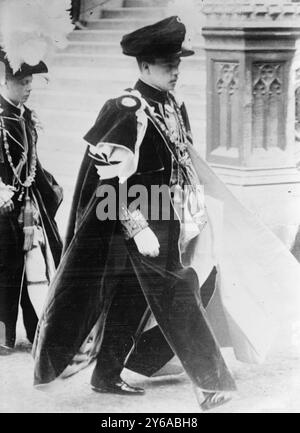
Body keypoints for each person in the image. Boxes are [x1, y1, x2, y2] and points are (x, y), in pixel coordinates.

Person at [33, 16, 300, 411]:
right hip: (135, 212)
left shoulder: (171, 104)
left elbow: (183, 164)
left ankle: (105, 374)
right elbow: (109, 182)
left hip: (169, 213)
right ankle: (213, 383)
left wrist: (192, 215)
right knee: (177, 289)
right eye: (166, 64)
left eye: (177, 63)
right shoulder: (127, 108)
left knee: (133, 296)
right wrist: (137, 227)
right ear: (143, 66)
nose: (175, 71)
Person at [0, 49, 63, 355]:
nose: (28, 87)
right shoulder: (0, 117)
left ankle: (38, 326)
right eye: (23, 81)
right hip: (3, 205)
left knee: (36, 263)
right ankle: (3, 335)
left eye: (30, 82)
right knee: (6, 270)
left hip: (27, 204)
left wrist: (48, 186)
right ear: (5, 80)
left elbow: (31, 164)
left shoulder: (24, 116)